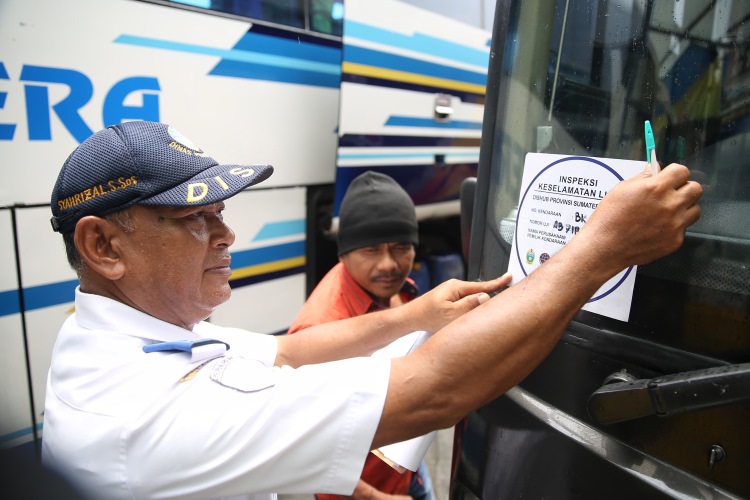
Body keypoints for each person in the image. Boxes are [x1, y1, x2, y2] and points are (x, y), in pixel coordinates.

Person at [41, 121, 702, 500]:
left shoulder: (125, 337)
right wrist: (600, 250)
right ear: (103, 245)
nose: (227, 235)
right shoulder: (150, 409)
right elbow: (437, 389)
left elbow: (286, 352)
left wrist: (419, 316)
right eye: (195, 219)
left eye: (222, 212)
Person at [288, 171, 433, 500]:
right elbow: (306, 446)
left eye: (400, 248)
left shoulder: (400, 292)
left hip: (403, 467)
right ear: (343, 253)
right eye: (371, 250)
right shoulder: (320, 331)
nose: (389, 265)